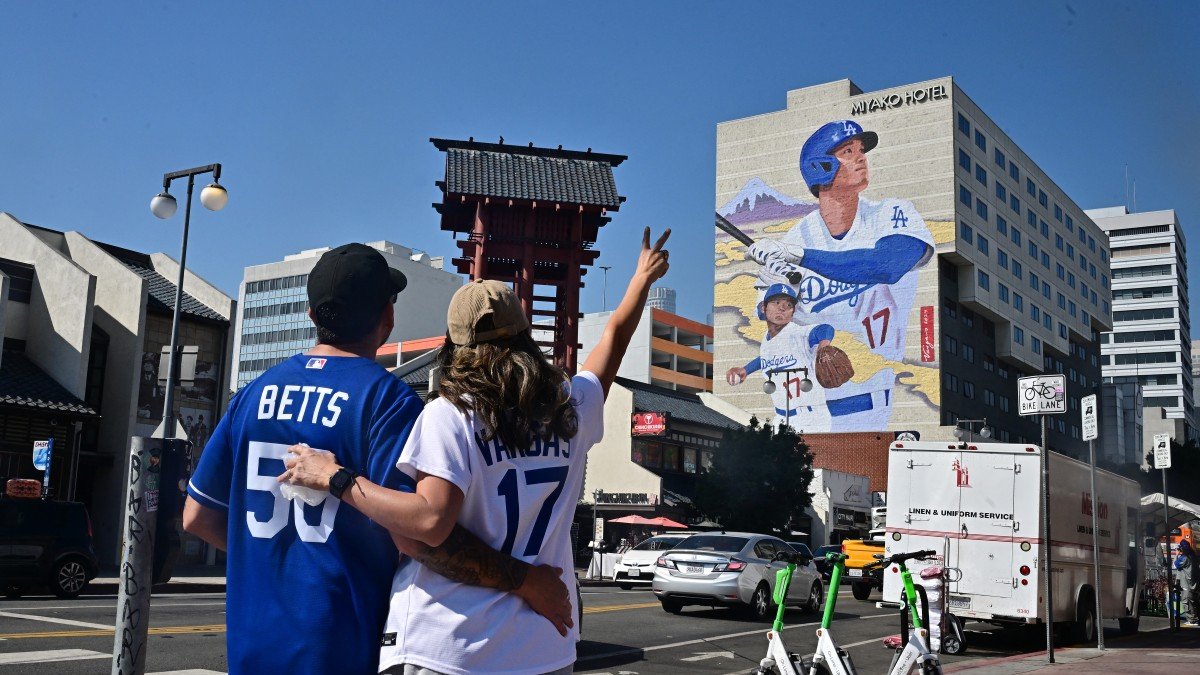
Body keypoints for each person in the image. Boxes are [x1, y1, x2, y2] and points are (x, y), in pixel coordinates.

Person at [282, 228, 671, 674]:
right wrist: (640, 280)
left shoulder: (452, 413)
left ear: (456, 342)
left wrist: (337, 478)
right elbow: (614, 339)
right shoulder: (570, 405)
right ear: (524, 333)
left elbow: (429, 522)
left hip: (451, 644)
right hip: (543, 646)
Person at [182, 243, 571, 675]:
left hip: (253, 642)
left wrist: (275, 558)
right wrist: (525, 581)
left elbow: (197, 517)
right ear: (387, 318)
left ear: (312, 317)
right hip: (345, 638)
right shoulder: (387, 401)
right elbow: (421, 537)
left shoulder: (252, 395)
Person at [747, 120, 934, 430]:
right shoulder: (795, 237)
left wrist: (801, 258)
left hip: (870, 401)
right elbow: (770, 323)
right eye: (848, 151)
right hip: (803, 405)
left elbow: (886, 266)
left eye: (861, 150)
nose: (861, 157)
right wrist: (778, 288)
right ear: (820, 166)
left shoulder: (891, 214)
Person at [725, 283, 849, 431]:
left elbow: (825, 329)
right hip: (781, 419)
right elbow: (765, 358)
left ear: (793, 312)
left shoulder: (798, 334)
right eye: (776, 302)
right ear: (764, 308)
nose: (782, 307)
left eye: (788, 304)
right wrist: (746, 370)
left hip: (811, 418)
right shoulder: (767, 340)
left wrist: (824, 345)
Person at [1176, 539, 1198, 626]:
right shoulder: (1193, 556)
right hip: (1194, 583)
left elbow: (1176, 564)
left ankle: (1192, 620)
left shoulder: (1184, 558)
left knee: (1187, 601)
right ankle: (1195, 619)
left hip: (1187, 584)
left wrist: (1177, 554)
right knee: (1193, 601)